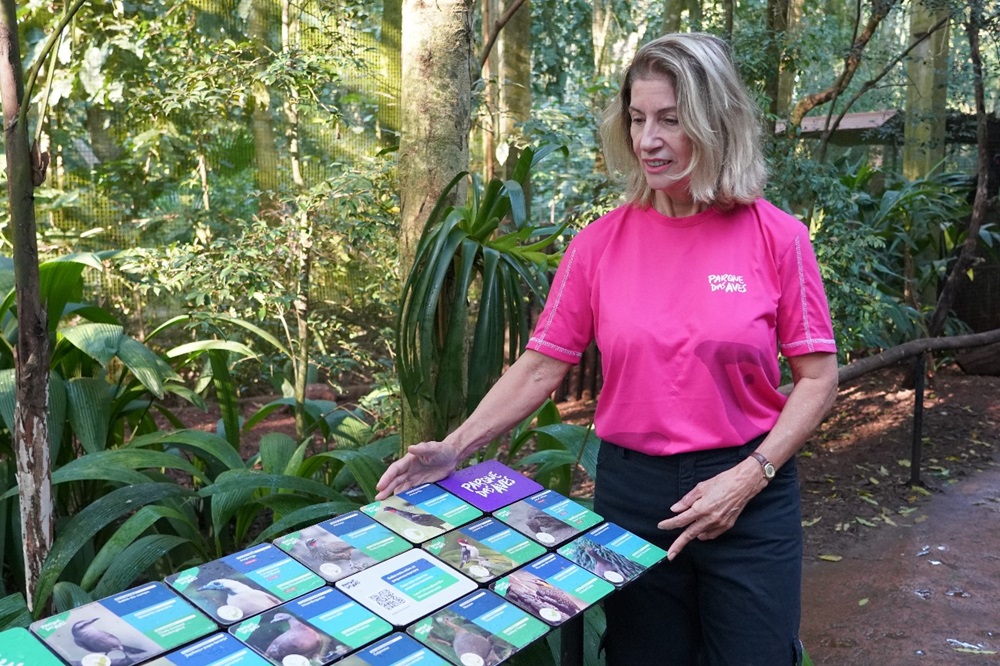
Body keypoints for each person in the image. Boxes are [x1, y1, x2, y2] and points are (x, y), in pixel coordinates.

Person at [377, 32, 838, 666]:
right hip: (633, 493)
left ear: (715, 122)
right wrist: (457, 446)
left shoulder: (777, 237)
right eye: (638, 118)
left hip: (749, 491)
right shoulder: (599, 244)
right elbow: (541, 364)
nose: (649, 139)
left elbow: (817, 378)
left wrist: (749, 476)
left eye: (671, 121)